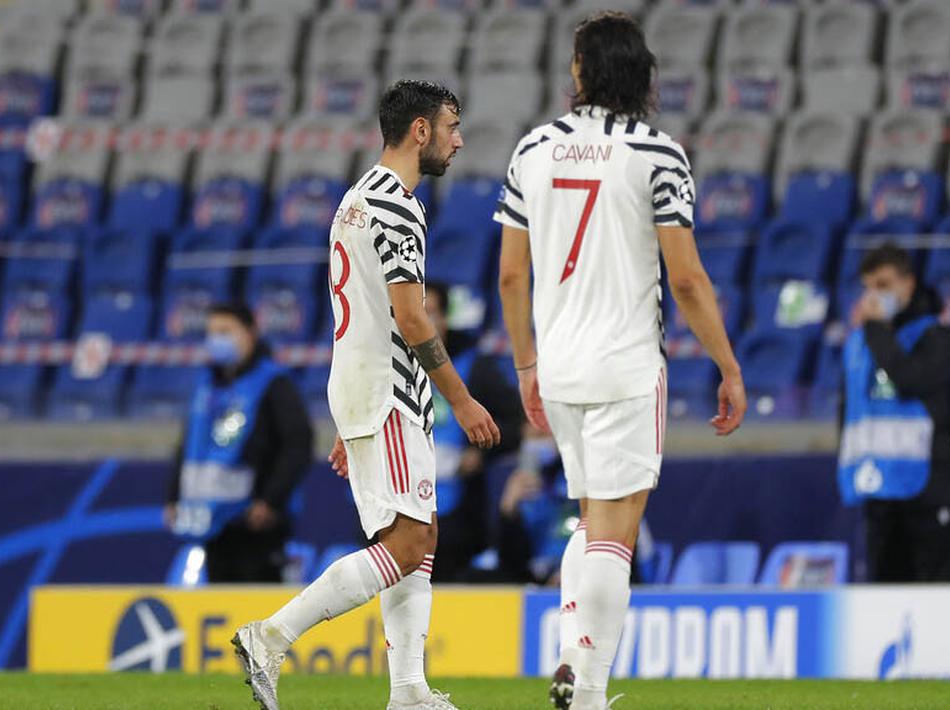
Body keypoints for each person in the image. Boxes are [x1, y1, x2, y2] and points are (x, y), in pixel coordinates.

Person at [495, 13, 747, 710]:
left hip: (561, 365)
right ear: (641, 73)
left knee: (587, 520)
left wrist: (525, 366)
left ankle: (572, 656)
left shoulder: (533, 149)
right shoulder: (656, 153)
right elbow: (688, 279)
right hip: (627, 363)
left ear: (579, 72)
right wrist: (726, 364)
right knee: (616, 530)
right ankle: (589, 686)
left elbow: (511, 275)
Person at [232, 80, 501, 710]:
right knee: (407, 545)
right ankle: (272, 636)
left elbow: (360, 312)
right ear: (420, 132)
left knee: (419, 535)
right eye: (452, 127)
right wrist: (460, 399)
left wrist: (349, 420)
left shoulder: (355, 199)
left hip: (362, 388)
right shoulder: (399, 207)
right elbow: (410, 317)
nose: (459, 141)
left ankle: (407, 689)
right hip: (389, 392)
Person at [839, 243, 950, 583]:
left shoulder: (937, 338)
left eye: (884, 286)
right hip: (880, 489)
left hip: (928, 490)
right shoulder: (863, 344)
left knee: (933, 595)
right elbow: (851, 411)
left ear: (908, 284)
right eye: (869, 287)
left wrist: (875, 330)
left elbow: (909, 379)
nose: (874, 296)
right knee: (883, 596)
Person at [164, 303, 313, 583]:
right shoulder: (206, 384)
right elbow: (188, 445)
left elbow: (297, 444)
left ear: (249, 333)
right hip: (211, 519)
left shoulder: (274, 383)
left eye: (224, 331)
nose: (216, 340)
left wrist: (270, 501)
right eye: (211, 333)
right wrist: (174, 497)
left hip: (257, 524)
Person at [423, 281, 525, 581]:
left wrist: (479, 452)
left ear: (445, 319)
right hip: (399, 513)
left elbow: (515, 423)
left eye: (431, 313)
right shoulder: (388, 368)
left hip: (457, 519)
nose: (423, 323)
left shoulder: (475, 367)